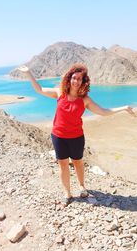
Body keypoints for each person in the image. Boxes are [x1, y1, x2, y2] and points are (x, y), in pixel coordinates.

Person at [18, 63, 136, 207]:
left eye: (80, 79)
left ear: (83, 82)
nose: (76, 81)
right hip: (58, 137)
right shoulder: (60, 92)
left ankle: (82, 186)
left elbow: (103, 112)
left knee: (78, 162)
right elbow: (40, 89)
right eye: (74, 77)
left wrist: (123, 108)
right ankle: (67, 193)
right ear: (69, 78)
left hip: (76, 138)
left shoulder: (85, 99)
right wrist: (29, 73)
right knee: (63, 165)